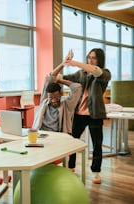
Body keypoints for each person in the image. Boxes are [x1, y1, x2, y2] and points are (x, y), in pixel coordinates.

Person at [63, 48, 111, 184]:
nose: (90, 60)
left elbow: (96, 71)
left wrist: (74, 62)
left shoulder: (105, 74)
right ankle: (70, 167)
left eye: (94, 58)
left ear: (99, 60)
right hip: (79, 114)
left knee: (97, 144)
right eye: (89, 57)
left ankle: (96, 172)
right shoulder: (81, 74)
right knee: (72, 141)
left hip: (95, 114)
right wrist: (63, 65)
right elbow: (64, 78)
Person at [32, 51, 82, 135]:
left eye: (56, 97)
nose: (53, 100)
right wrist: (63, 64)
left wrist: (61, 81)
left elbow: (77, 88)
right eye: (51, 98)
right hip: (41, 133)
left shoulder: (67, 104)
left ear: (61, 93)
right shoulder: (45, 100)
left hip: (58, 136)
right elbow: (50, 78)